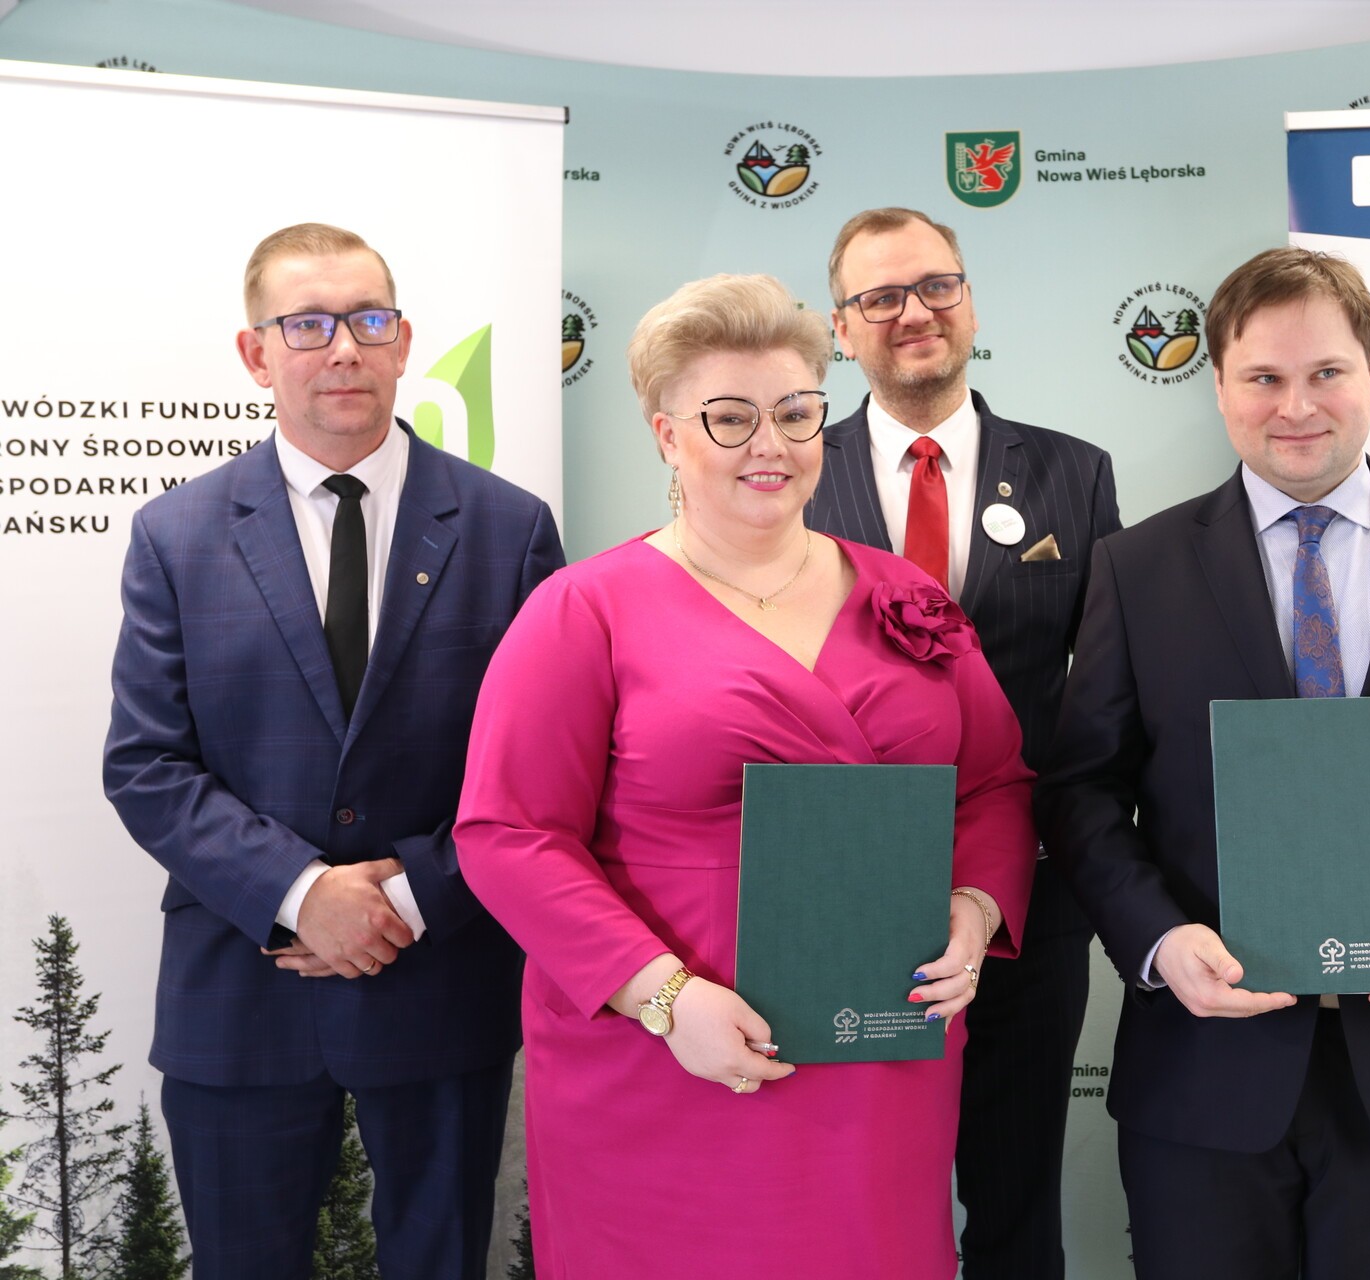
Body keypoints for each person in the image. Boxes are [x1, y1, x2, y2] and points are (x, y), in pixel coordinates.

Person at [453, 273, 1038, 1279]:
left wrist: (976, 909)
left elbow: (995, 784)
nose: (770, 444)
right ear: (666, 435)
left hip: (879, 1051)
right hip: (664, 1056)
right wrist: (664, 995)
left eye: (796, 412)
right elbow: (508, 835)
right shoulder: (582, 610)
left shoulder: (907, 595)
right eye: (730, 418)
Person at [1034, 247, 1370, 1280]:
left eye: (1326, 372)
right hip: (1203, 1068)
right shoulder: (1137, 567)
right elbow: (1082, 793)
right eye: (1264, 377)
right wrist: (1158, 940)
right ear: (1219, 386)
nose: (1296, 406)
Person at [101, 222, 564, 1280]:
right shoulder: (176, 535)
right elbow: (146, 765)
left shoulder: (508, 528)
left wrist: (408, 896)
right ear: (256, 353)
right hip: (243, 987)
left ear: (404, 341)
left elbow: (544, 771)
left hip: (440, 976)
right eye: (307, 324)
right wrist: (303, 892)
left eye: (367, 320)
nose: (343, 347)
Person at [806, 205, 1122, 1280]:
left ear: (970, 301)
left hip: (1027, 895)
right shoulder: (792, 470)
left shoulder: (1074, 474)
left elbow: (1107, 695)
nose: (914, 313)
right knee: (850, 1201)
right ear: (840, 327)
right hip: (839, 889)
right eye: (880, 296)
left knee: (1016, 1195)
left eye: (936, 285)